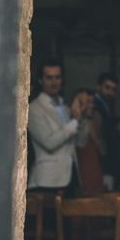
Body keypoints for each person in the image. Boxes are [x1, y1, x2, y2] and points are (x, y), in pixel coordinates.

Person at [27, 60, 88, 194]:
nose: (54, 82)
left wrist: (81, 118)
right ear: (40, 80)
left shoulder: (65, 108)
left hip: (71, 177)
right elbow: (49, 143)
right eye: (49, 78)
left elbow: (81, 143)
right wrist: (74, 122)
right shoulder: (34, 109)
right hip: (47, 181)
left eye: (57, 77)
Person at [73, 88, 106, 196]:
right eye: (87, 102)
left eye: (92, 102)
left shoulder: (94, 119)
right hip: (83, 174)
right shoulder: (77, 123)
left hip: (94, 171)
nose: (91, 106)